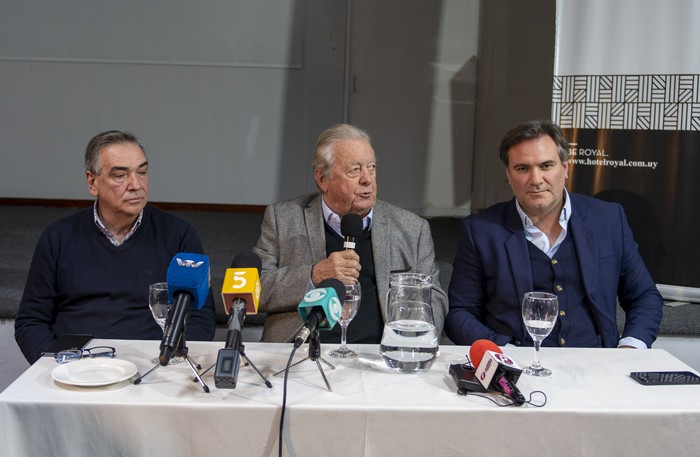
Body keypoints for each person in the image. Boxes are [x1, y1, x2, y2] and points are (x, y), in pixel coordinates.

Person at [445, 120, 663, 349]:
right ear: (508, 174)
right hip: (517, 369)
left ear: (565, 168)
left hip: (597, 367)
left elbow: (644, 296)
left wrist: (631, 348)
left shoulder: (608, 220)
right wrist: (503, 354)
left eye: (546, 165)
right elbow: (460, 314)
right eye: (522, 168)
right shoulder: (481, 230)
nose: (536, 180)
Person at [15, 130, 216, 363]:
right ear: (92, 182)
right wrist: (57, 366)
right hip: (75, 365)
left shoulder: (179, 234)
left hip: (153, 364)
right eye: (120, 175)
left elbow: (201, 317)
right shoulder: (58, 236)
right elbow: (31, 321)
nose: (136, 185)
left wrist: (172, 362)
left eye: (142, 172)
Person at [254, 123, 448, 344]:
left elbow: (435, 298)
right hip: (302, 352)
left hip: (381, 356)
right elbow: (254, 289)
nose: (367, 179)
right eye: (354, 170)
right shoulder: (284, 218)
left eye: (372, 168)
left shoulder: (412, 228)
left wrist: (412, 343)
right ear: (322, 179)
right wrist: (314, 275)